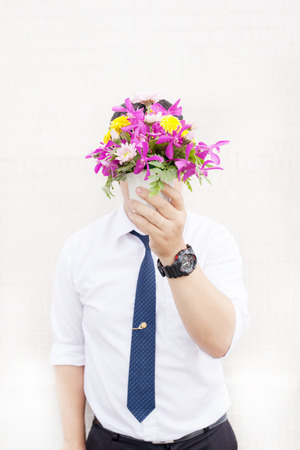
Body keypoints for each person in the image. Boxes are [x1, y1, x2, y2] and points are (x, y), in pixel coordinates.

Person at [50, 99, 251, 450]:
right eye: (135, 162)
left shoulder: (214, 240)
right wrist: (72, 444)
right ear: (116, 168)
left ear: (181, 168)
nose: (147, 174)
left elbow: (220, 343)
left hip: (205, 440)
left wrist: (176, 252)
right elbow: (70, 351)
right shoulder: (79, 250)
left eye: (160, 161)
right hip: (112, 442)